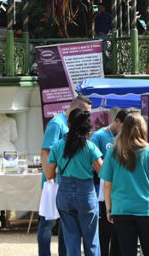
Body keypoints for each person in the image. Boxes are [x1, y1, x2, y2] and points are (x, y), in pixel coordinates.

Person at [100, 114, 149, 256]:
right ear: (142, 129)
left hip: (121, 210)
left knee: (127, 252)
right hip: (147, 210)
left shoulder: (113, 152)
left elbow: (107, 184)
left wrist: (109, 209)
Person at [39, 95, 93, 256]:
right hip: (54, 182)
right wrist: (51, 178)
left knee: (66, 225)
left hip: (66, 183)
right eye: (85, 112)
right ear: (76, 109)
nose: (87, 117)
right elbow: (45, 151)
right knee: (47, 222)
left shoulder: (71, 124)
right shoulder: (57, 123)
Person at [46, 109, 103, 256]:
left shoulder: (58, 146)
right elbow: (103, 172)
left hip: (64, 193)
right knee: (91, 240)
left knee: (71, 240)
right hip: (86, 194)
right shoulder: (90, 147)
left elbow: (49, 174)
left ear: (69, 124)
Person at [91, 108, 131, 256]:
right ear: (117, 121)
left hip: (119, 191)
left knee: (118, 231)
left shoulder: (125, 138)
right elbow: (92, 163)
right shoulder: (99, 136)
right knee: (104, 230)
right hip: (102, 191)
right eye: (124, 127)